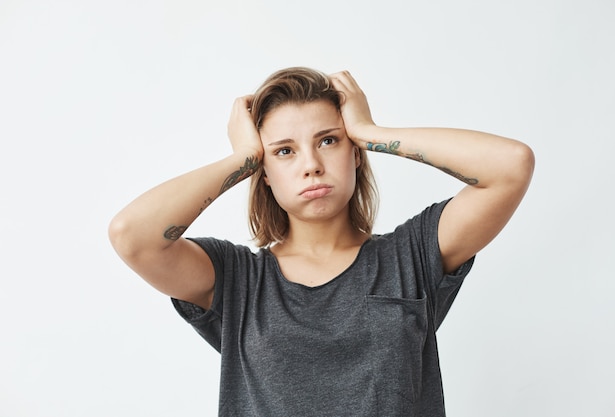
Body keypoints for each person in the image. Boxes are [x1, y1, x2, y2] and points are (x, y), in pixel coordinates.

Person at [109, 67, 534, 416]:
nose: (311, 165)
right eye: (285, 151)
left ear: (354, 153)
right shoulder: (236, 279)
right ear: (264, 171)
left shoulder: (412, 256)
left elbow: (511, 166)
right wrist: (241, 158)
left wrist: (370, 130)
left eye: (328, 140)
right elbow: (133, 236)